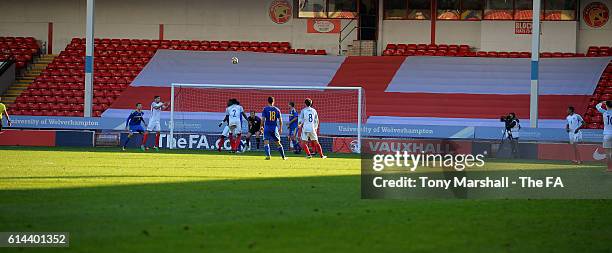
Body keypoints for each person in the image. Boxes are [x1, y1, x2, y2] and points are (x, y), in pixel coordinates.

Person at [595, 101, 612, 172]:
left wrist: (603, 102)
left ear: (606, 106)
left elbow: (597, 106)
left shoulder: (604, 112)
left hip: (607, 134)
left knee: (608, 153)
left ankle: (609, 168)